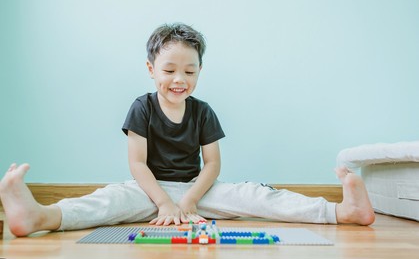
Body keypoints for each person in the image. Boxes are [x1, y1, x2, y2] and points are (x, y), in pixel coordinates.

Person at [0, 23, 375, 237]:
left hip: (199, 190)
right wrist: (164, 202)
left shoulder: (203, 112)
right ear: (151, 70)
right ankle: (38, 217)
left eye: (190, 71)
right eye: (169, 70)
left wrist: (190, 201)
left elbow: (212, 164)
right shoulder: (141, 107)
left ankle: (342, 212)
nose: (179, 79)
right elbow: (137, 164)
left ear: (199, 72)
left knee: (257, 196)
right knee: (107, 202)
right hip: (149, 191)